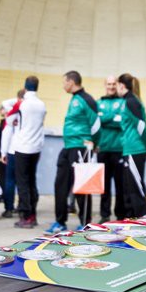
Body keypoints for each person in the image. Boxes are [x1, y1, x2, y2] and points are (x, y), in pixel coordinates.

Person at [47, 71, 101, 234]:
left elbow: (96, 124)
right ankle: (60, 222)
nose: (63, 85)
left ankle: (85, 222)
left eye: (65, 82)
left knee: (81, 185)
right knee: (60, 184)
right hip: (68, 146)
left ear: (71, 82)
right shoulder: (74, 99)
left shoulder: (87, 99)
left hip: (81, 147)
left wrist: (95, 143)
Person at [9, 76, 46, 228]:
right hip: (36, 147)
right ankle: (33, 214)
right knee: (32, 181)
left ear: (25, 87)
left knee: (22, 183)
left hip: (23, 147)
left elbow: (9, 117)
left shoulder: (22, 104)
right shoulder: (42, 104)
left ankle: (26, 215)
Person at [118, 73, 146, 218]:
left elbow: (141, 126)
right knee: (129, 188)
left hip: (136, 150)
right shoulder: (127, 101)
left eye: (117, 85)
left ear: (122, 85)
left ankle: (142, 218)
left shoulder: (132, 101)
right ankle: (130, 218)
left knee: (136, 187)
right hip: (129, 150)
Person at [97, 75, 126, 222]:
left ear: (117, 85)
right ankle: (104, 215)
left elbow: (121, 122)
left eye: (114, 84)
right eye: (108, 84)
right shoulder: (99, 102)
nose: (111, 86)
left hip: (119, 148)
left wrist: (105, 119)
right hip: (103, 149)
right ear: (105, 85)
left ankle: (120, 215)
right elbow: (97, 121)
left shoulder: (123, 102)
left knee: (120, 185)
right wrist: (112, 117)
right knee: (104, 185)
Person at [0, 90, 24, 218]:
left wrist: (3, 152)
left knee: (10, 181)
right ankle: (22, 207)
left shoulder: (12, 113)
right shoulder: (31, 112)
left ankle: (9, 208)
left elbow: (6, 134)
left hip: (12, 151)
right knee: (23, 181)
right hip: (25, 151)